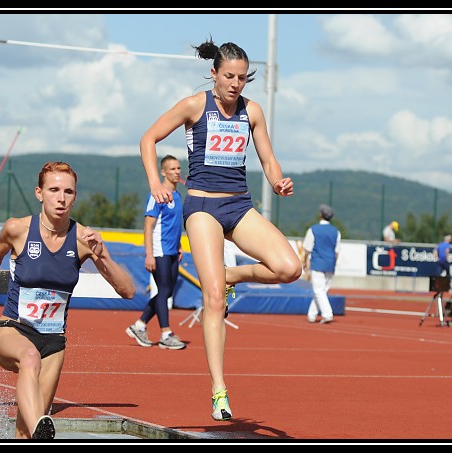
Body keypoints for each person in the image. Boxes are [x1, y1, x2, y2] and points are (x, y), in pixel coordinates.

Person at [139, 38, 302, 422]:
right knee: (213, 299)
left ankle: (232, 274)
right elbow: (148, 139)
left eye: (242, 78)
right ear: (214, 73)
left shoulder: (252, 111)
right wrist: (155, 182)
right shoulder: (195, 106)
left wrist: (278, 182)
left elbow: (269, 160)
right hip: (202, 208)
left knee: (290, 268)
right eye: (229, 76)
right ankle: (219, 390)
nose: (235, 84)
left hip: (239, 205)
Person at [0, 162, 135, 439]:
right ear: (39, 193)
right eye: (54, 190)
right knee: (29, 359)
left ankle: (37, 431)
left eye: (68, 191)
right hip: (13, 330)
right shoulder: (17, 229)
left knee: (26, 431)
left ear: (75, 197)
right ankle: (43, 428)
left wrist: (102, 255)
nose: (61, 198)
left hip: (53, 343)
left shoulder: (84, 239)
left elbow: (128, 291)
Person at [126, 155, 186, 350]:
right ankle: (166, 333)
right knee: (165, 291)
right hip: (159, 250)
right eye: (172, 169)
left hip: (172, 250)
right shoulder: (156, 195)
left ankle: (139, 325)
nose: (176, 172)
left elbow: (173, 224)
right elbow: (148, 226)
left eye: (178, 168)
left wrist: (179, 245)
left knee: (166, 291)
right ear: (163, 172)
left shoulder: (177, 195)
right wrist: (149, 255)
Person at [302, 204, 341, 324]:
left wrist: (304, 261)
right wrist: (334, 264)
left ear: (320, 215)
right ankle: (312, 315)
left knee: (319, 291)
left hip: (318, 263)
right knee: (321, 291)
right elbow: (337, 251)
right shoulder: (336, 231)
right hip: (330, 264)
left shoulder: (313, 229)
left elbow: (307, 248)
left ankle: (327, 314)